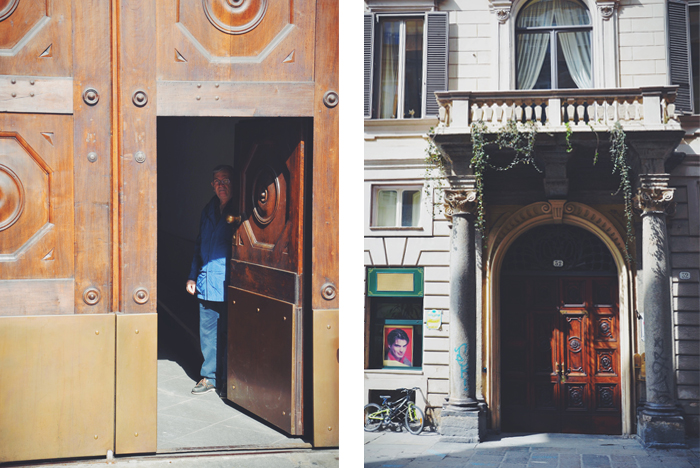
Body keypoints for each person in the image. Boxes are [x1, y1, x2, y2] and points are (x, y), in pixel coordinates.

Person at [187, 164, 237, 395]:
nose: (221, 185)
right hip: (207, 281)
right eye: (217, 181)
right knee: (208, 332)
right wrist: (192, 276)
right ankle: (210, 376)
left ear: (233, 182)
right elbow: (200, 243)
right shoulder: (209, 209)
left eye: (225, 180)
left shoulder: (240, 209)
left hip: (230, 283)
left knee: (231, 332)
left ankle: (232, 379)